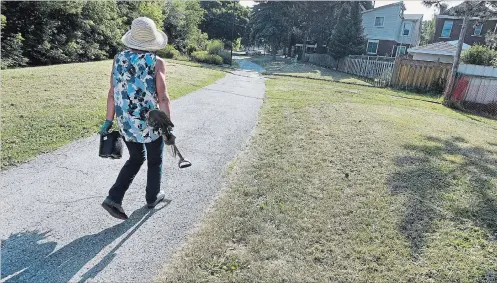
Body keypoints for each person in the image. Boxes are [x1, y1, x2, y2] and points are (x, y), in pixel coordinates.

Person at [99, 17, 171, 220]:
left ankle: (114, 197)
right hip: (150, 122)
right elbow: (163, 98)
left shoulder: (118, 59)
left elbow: (112, 93)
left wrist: (108, 120)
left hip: (126, 122)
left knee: (136, 157)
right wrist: (168, 128)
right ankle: (152, 197)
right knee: (155, 160)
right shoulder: (156, 63)